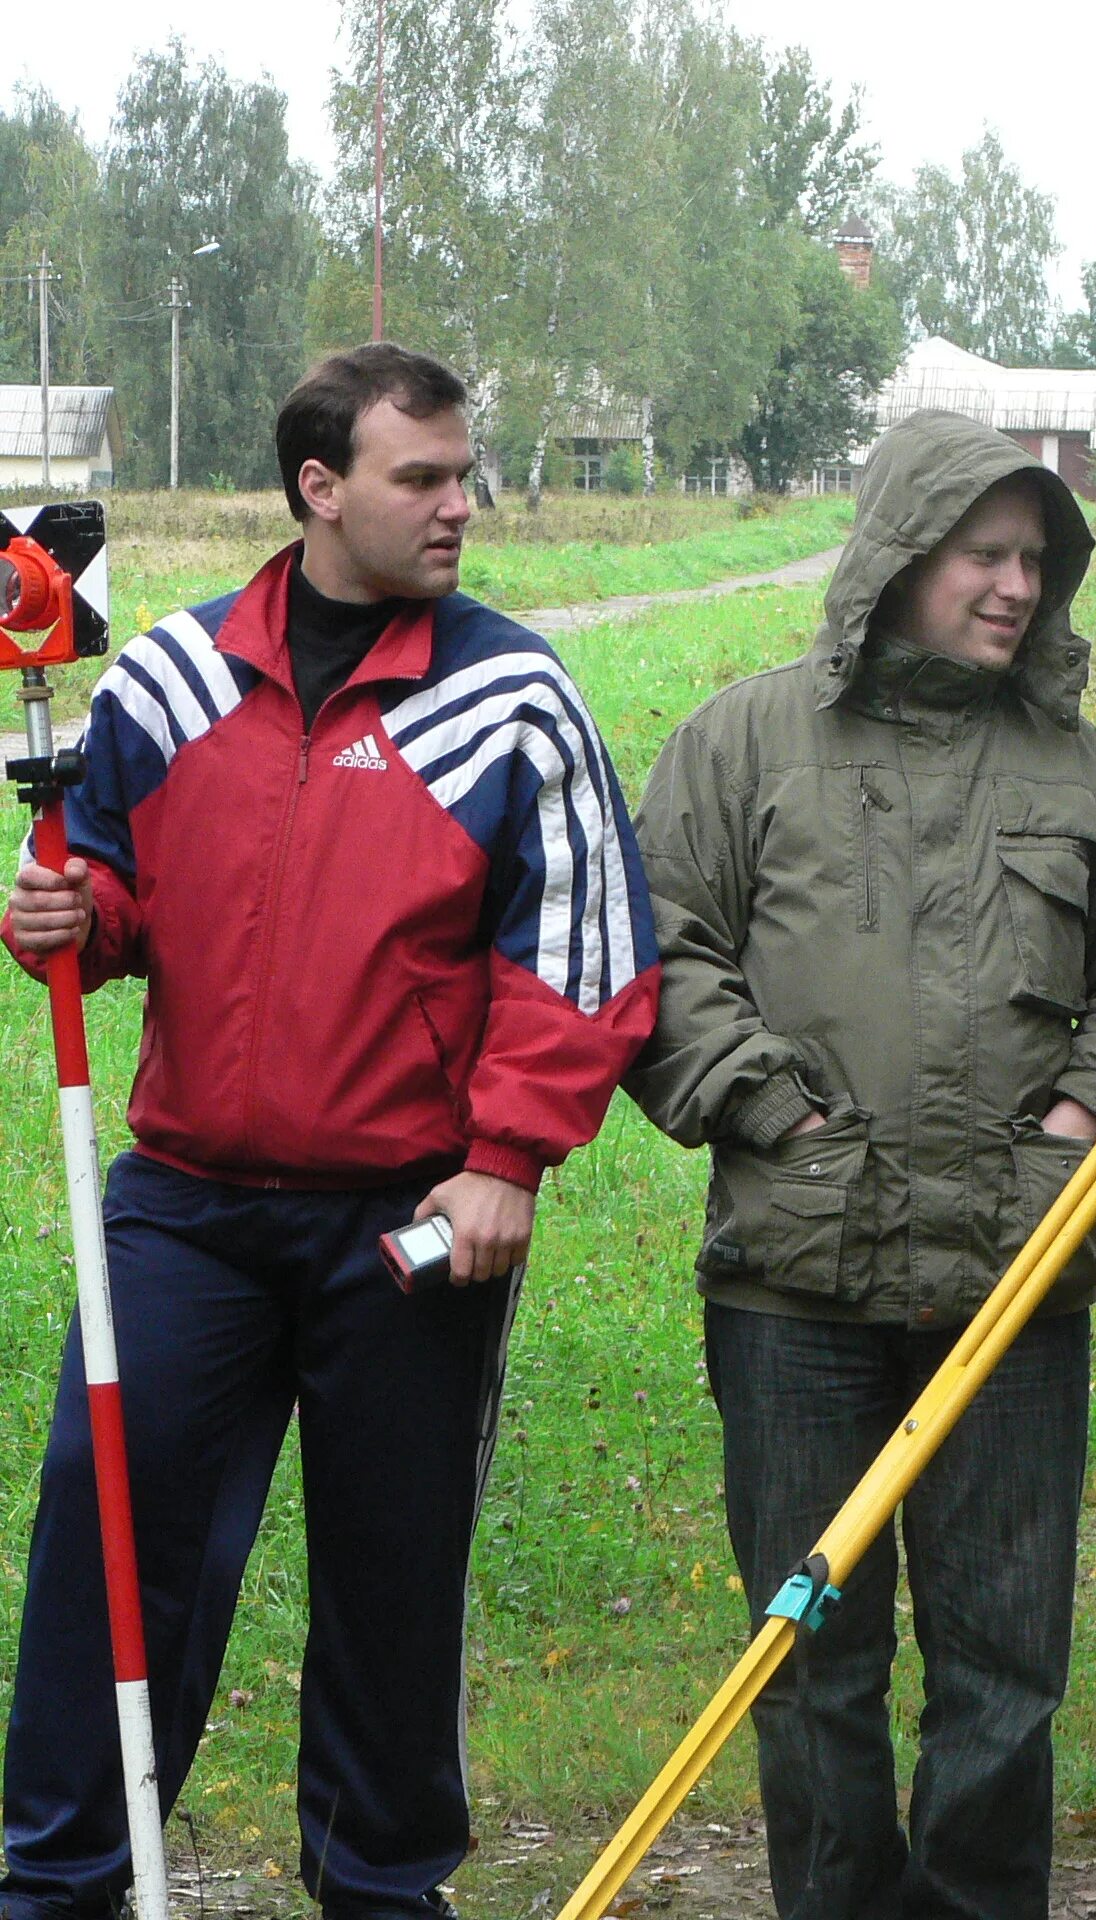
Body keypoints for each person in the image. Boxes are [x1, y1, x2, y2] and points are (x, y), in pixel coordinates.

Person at [0, 343, 659, 1919]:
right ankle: (65, 1874)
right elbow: (111, 885)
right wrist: (64, 912)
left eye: (461, 474)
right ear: (320, 487)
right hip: (183, 1206)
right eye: (419, 478)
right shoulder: (165, 676)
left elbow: (577, 948)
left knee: (392, 1576)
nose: (457, 506)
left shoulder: (510, 697)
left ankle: (378, 1885)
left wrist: (506, 1158)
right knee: (107, 1542)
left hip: (405, 1224)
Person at [624, 408, 1096, 1920]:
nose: (1014, 587)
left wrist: (1081, 1123)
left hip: (1016, 1283)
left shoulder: (1081, 767)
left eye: (1035, 560)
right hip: (794, 1284)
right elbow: (657, 948)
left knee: (1006, 1673)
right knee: (813, 1664)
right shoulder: (743, 742)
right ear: (898, 554)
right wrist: (776, 1116)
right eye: (982, 554)